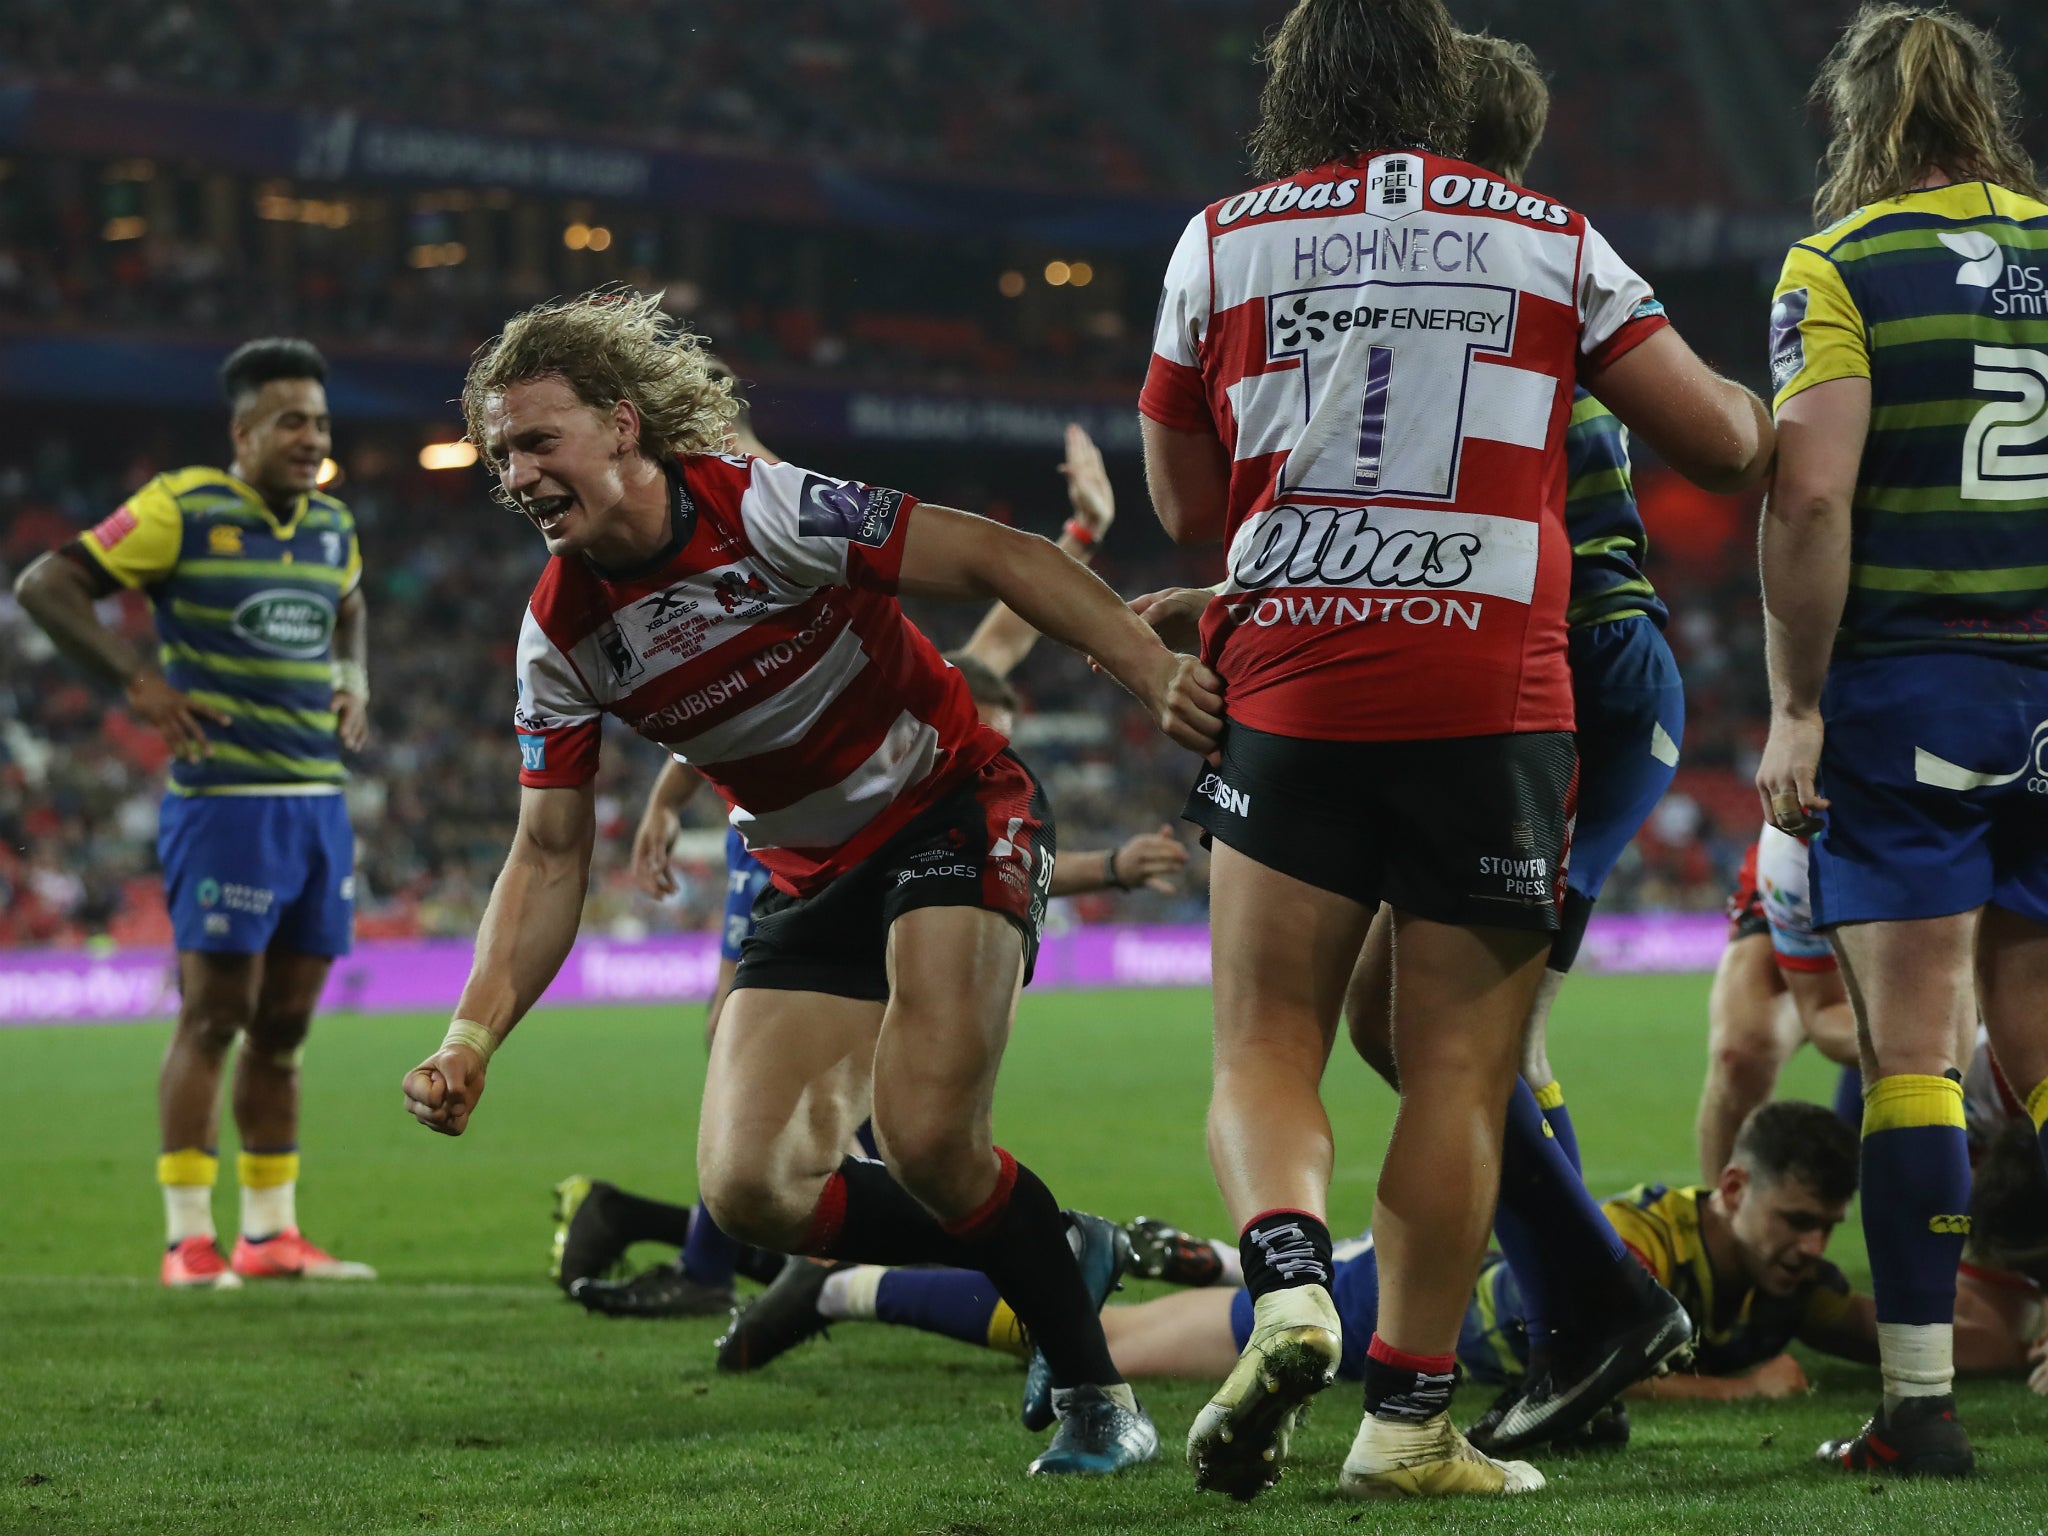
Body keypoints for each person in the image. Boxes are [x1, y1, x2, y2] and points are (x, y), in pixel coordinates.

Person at [399, 289, 1222, 1476]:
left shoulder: (763, 509)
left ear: (622, 426)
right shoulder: (560, 636)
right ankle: (1048, 1241)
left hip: (950, 805)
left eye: (538, 441)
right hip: (805, 867)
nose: (516, 475)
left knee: (934, 1142)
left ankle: (1100, 1398)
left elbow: (998, 554)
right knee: (750, 1189)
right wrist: (472, 1032)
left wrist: (1146, 672)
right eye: (501, 456)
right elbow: (546, 854)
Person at [1138, 0, 1772, 1498]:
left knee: (1268, 1043)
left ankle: (1288, 1277)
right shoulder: (1548, 235)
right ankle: (1410, 1425)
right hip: (1493, 692)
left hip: (1290, 684)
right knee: (1457, 1069)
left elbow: (1185, 507)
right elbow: (1724, 445)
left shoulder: (1219, 240)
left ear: (1295, 84)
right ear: (1443, 81)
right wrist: (1766, 409)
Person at [564, 420, 1188, 1318]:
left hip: (898, 854)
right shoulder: (745, 560)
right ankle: (821, 1267)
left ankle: (816, 1275)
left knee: (900, 1123)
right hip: (797, 861)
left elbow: (1007, 607)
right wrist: (666, 801)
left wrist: (1084, 532)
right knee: (790, 1100)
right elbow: (717, 687)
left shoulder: (808, 564)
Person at [1756, 3, 2048, 1477]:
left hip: (1920, 686)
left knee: (1918, 1053)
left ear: (1860, 115)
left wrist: (1797, 704)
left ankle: (1921, 1408)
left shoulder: (1843, 263)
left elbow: (1809, 497)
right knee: (2045, 1044)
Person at [724, 1102, 2045, 1412]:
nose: (1808, 1252)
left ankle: (1169, 1256)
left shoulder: (1781, 1279)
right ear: (1733, 1187)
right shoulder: (1644, 1247)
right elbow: (1539, 1350)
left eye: (1822, 1234)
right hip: (1368, 1307)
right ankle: (839, 1278)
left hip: (1395, 1265)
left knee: (1143, 1313)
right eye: (1794, 1223)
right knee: (1106, 1348)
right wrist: (1735, 1388)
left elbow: (1894, 1339)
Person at [14, 338, 374, 1289]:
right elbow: (48, 583)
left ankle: (270, 1236)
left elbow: (351, 604)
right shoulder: (184, 508)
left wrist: (353, 680)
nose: (311, 438)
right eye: (291, 420)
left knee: (288, 1025)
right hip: (224, 804)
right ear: (243, 431)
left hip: (317, 806)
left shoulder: (333, 524)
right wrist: (136, 679)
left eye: (322, 422)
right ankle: (187, 1241)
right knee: (216, 1014)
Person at [1697, 831, 1864, 1180]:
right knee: (1742, 1053)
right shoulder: (1794, 850)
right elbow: (1824, 1007)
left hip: (1933, 854)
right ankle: (1723, 1217)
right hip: (1813, 860)